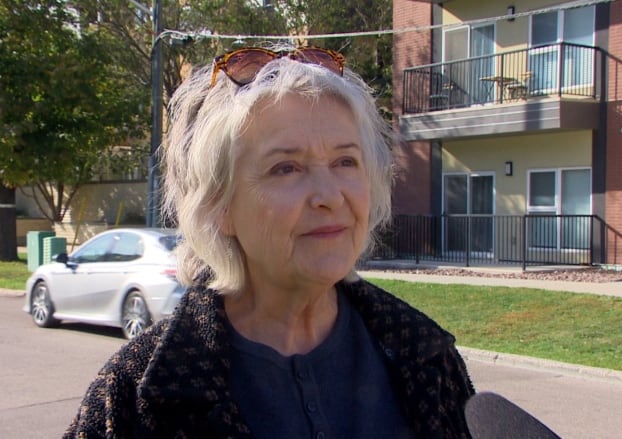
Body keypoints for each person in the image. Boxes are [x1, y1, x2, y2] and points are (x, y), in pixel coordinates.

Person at [64, 45, 475, 438]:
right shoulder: (137, 393)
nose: (330, 196)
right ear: (218, 205)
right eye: (286, 168)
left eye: (345, 161)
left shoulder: (425, 355)